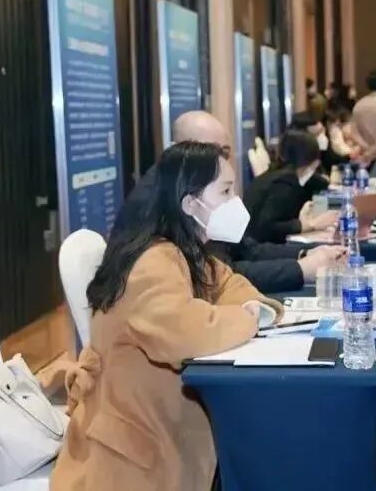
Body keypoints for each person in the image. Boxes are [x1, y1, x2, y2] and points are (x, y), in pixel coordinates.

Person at [52, 141, 285, 491]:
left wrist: (251, 307)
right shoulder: (153, 260)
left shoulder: (186, 251)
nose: (235, 201)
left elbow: (229, 283)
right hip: (133, 459)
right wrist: (249, 318)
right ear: (190, 204)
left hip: (162, 431)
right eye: (225, 191)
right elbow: (186, 333)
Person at [111, 111, 342, 293]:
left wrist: (305, 254)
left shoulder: (203, 191)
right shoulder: (157, 202)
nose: (220, 162)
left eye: (225, 153)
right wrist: (300, 269)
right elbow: (213, 278)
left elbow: (247, 250)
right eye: (211, 152)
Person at [243, 130, 339, 244]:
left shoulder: (272, 176)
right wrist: (310, 224)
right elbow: (267, 228)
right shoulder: (284, 185)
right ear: (311, 161)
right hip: (258, 248)